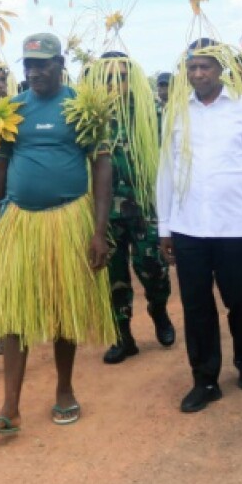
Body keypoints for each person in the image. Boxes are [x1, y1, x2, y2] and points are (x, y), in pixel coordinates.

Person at [0, 33, 114, 434]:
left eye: (42, 64)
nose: (34, 71)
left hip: (68, 220)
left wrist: (99, 231)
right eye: (28, 64)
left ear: (60, 63)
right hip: (19, 222)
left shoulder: (82, 107)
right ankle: (9, 407)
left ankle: (65, 390)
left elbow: (102, 168)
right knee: (14, 311)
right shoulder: (11, 110)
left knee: (61, 308)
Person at [157, 39, 242, 413]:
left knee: (241, 300)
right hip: (188, 225)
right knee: (196, 306)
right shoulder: (175, 112)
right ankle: (205, 379)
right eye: (192, 68)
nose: (198, 74)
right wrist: (164, 225)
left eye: (205, 67)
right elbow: (166, 170)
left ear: (220, 70)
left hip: (236, 225)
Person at [86, 52, 176, 364]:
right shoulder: (89, 117)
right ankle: (123, 336)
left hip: (144, 209)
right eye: (107, 79)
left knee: (153, 270)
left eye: (121, 78)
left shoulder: (153, 112)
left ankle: (159, 312)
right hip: (104, 213)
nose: (114, 85)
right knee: (114, 276)